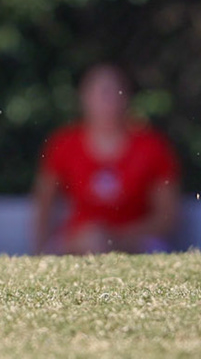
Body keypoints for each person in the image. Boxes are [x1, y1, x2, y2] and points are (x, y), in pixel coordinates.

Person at [31, 64, 181, 254]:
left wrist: (115, 237)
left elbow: (167, 217)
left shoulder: (152, 146)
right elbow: (43, 205)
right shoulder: (63, 144)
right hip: (79, 240)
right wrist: (41, 251)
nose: (107, 101)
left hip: (136, 242)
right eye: (100, 93)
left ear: (127, 97)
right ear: (83, 98)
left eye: (113, 93)